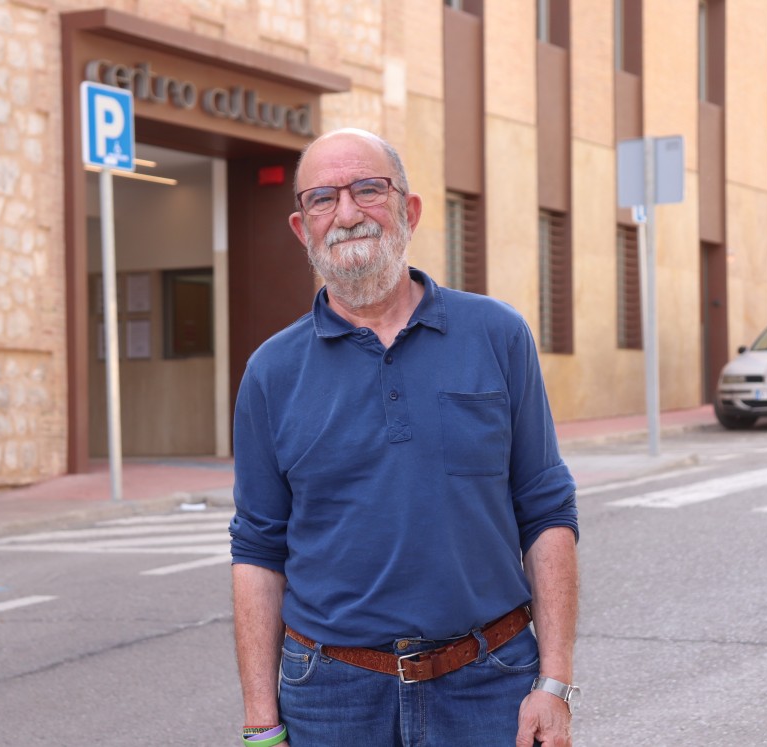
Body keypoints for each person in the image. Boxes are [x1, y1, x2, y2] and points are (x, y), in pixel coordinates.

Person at [229, 128, 580, 747]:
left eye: (368, 189)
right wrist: (262, 724)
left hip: (489, 682)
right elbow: (258, 551)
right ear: (301, 226)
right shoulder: (270, 371)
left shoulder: (497, 335)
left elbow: (547, 509)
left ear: (408, 210)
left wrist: (554, 683)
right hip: (330, 696)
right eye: (322, 198)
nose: (346, 213)